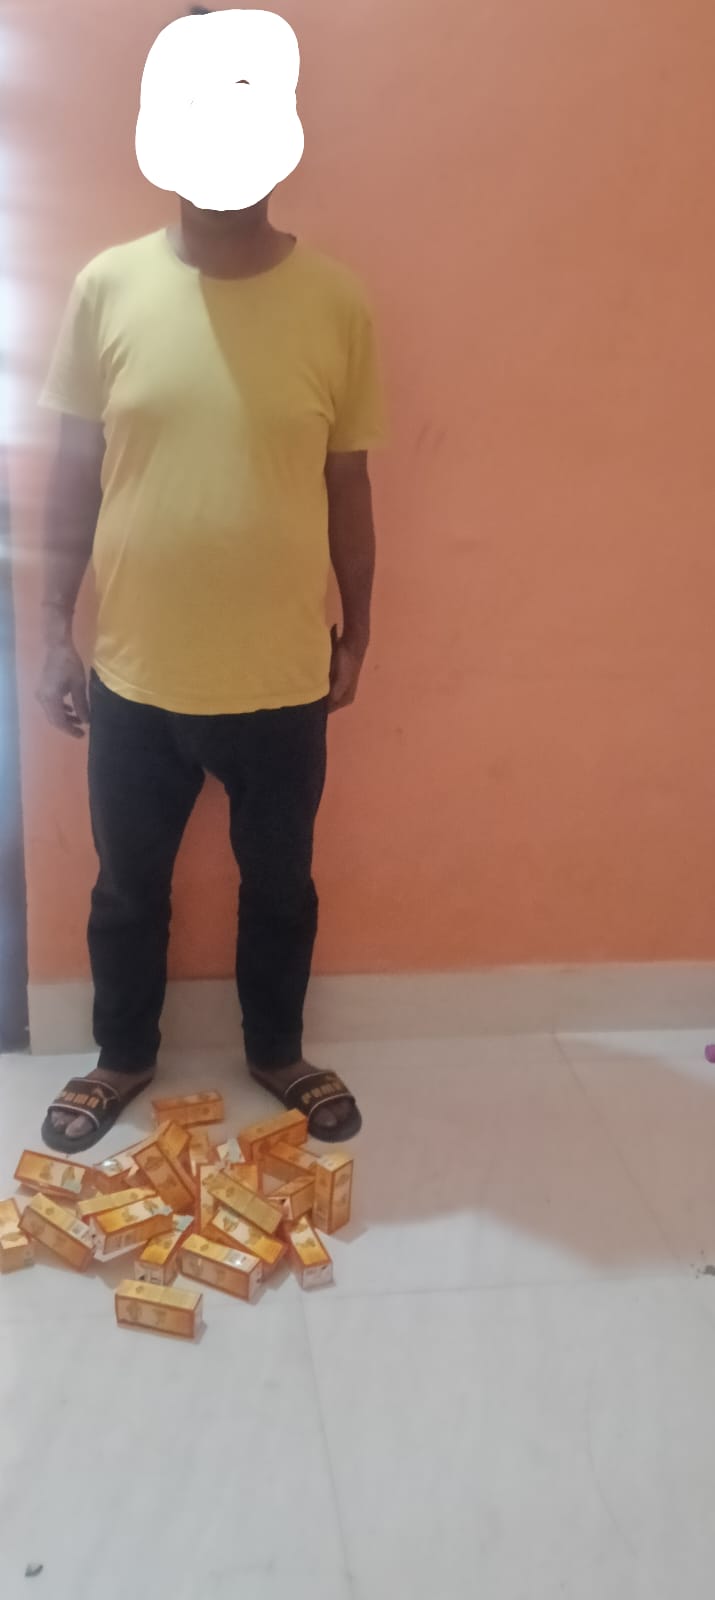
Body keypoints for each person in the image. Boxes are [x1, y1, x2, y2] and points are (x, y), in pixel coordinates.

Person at [36, 8, 385, 1153]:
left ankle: (277, 1050)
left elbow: (348, 483)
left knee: (280, 885)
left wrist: (358, 631)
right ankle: (121, 1055)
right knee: (127, 888)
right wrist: (49, 628)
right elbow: (71, 476)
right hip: (135, 670)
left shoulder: (334, 302)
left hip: (282, 674)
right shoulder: (108, 287)